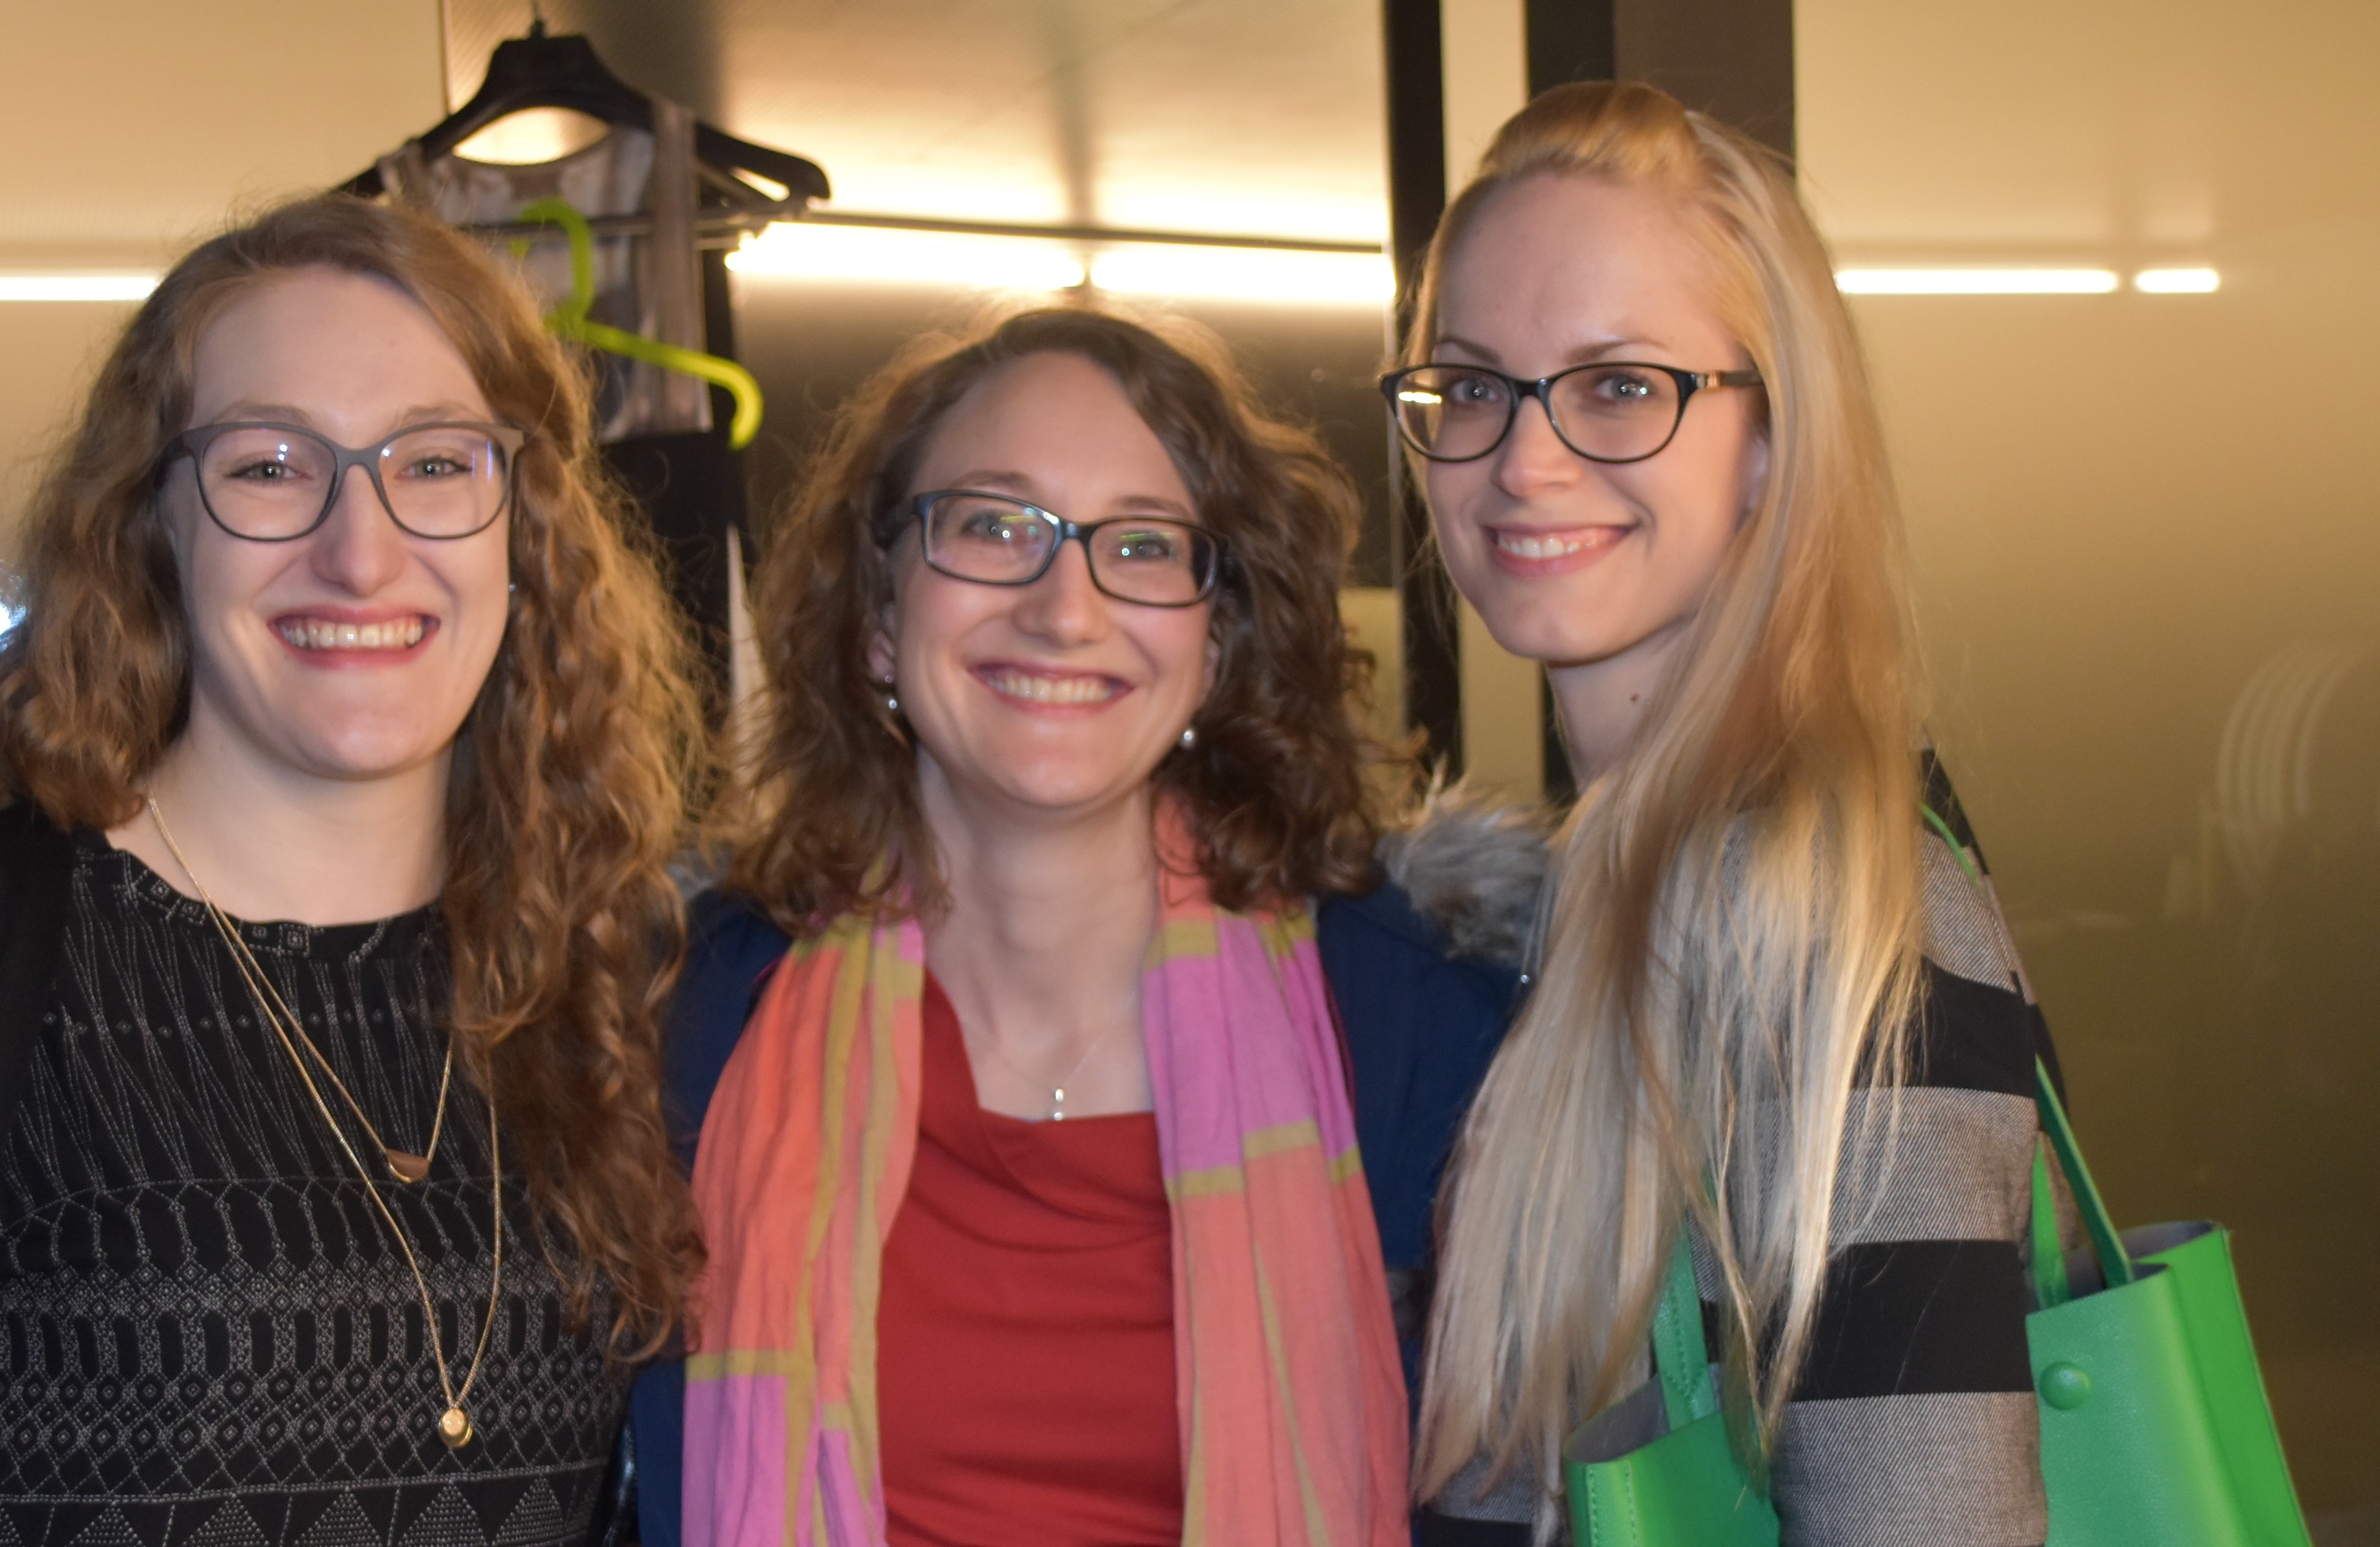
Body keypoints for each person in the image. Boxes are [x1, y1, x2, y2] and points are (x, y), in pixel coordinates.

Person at [0, 196, 700, 1547]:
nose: (361, 551)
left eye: (435, 462)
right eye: (270, 467)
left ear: (522, 530)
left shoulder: (610, 970)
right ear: (153, 525)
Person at [629, 306, 1542, 1547]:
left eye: (1145, 545)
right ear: (878, 617)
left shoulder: (1413, 1029)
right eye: (991, 527)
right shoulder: (680, 1023)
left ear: (1216, 641)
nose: (1065, 609)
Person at [1385, 83, 2063, 1544]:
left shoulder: (1815, 909)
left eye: (1621, 386)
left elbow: (1924, 1515)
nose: (1523, 460)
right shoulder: (1608, 887)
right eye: (1474, 387)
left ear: (1769, 440)